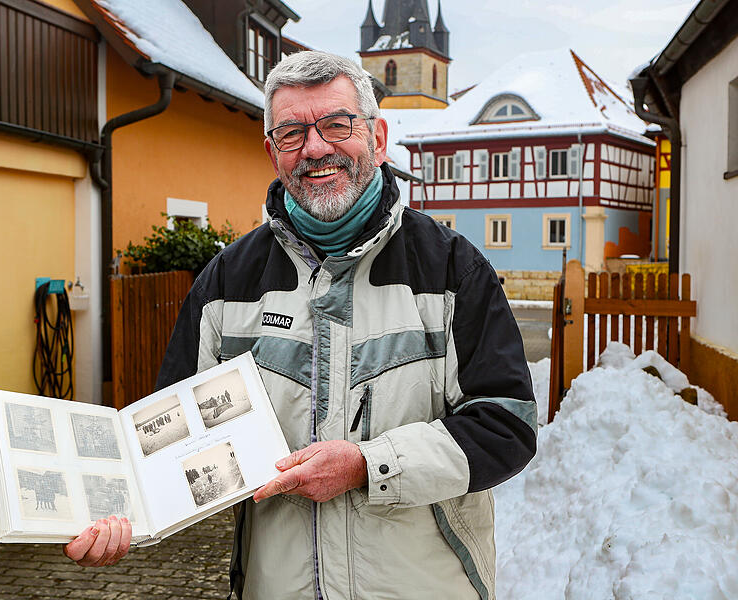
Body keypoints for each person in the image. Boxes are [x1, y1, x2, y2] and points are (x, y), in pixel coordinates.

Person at [64, 51, 537, 599]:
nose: (315, 148)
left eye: (337, 124)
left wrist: (368, 465)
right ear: (274, 153)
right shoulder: (227, 283)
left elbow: (507, 426)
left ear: (378, 137)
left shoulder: (452, 270)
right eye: (291, 133)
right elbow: (170, 442)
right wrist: (116, 517)